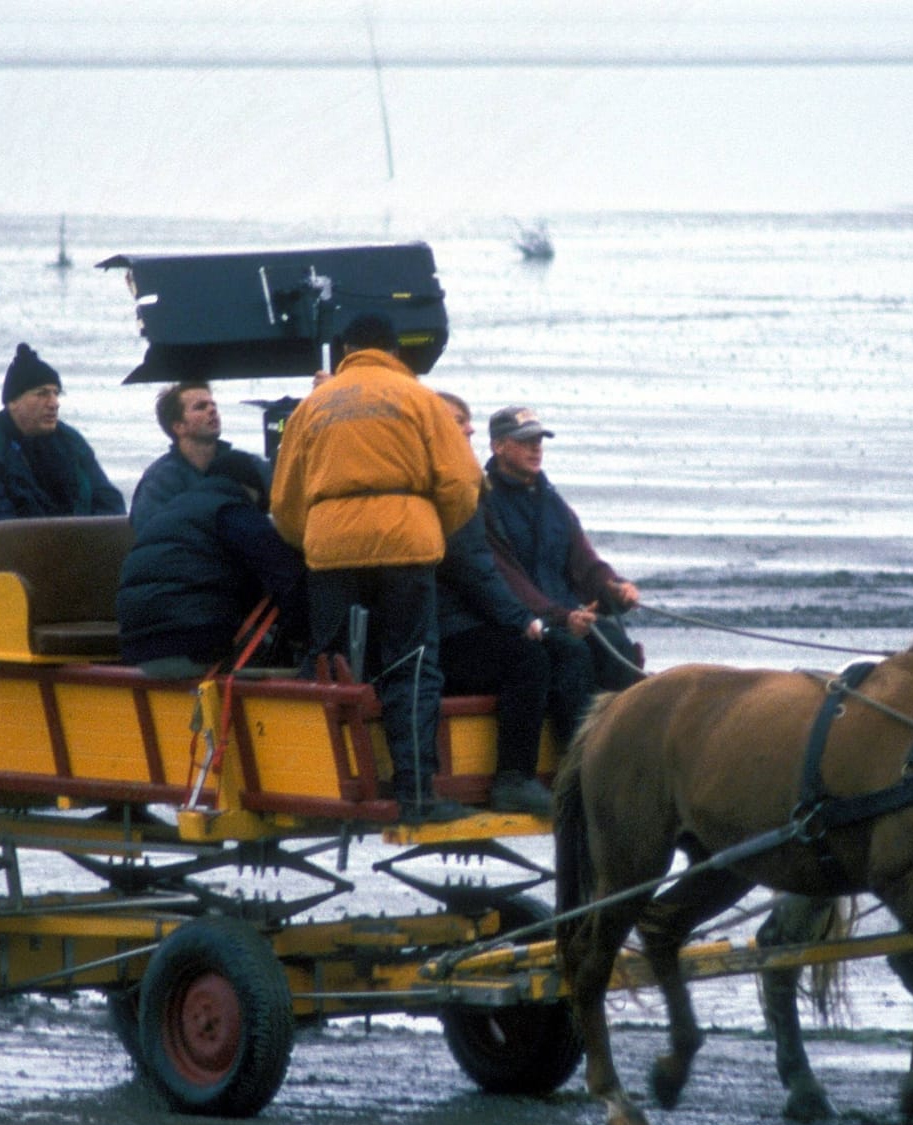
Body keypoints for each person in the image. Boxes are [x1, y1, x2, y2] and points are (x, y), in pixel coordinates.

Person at [269, 313, 482, 824]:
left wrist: (317, 537)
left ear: (345, 351)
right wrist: (429, 525)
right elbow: (461, 484)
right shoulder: (419, 399)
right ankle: (416, 794)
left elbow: (285, 500)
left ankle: (327, 784)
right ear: (395, 352)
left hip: (331, 551)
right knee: (412, 666)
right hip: (406, 546)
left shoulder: (314, 405)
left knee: (334, 665)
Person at [431, 393, 553, 817]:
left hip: (452, 619)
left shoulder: (457, 476)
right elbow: (474, 567)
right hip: (443, 629)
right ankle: (514, 779)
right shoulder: (450, 483)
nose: (468, 429)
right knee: (527, 660)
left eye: (468, 421)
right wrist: (522, 620)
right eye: (457, 421)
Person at [479, 406, 644, 708]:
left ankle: (616, 742)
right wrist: (560, 617)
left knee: (617, 646)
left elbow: (584, 562)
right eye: (525, 440)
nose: (535, 448)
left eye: (539, 441)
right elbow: (506, 577)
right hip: (519, 623)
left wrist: (614, 587)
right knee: (573, 654)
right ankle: (574, 749)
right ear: (498, 446)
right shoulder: (485, 501)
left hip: (565, 616)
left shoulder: (551, 500)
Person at [117, 448, 307, 679]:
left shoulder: (173, 511)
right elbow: (286, 576)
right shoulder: (233, 510)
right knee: (280, 654)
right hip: (195, 644)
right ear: (252, 487)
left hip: (139, 651)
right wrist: (305, 634)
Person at [0, 343, 125, 524]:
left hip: (81, 546)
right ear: (13, 401)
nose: (54, 403)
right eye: (42, 394)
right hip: (19, 550)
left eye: (56, 394)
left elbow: (108, 500)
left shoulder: (72, 444)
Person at [131, 379, 272, 530]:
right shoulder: (159, 481)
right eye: (200, 407)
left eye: (213, 405)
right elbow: (152, 534)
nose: (212, 410)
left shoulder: (245, 464)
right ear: (179, 427)